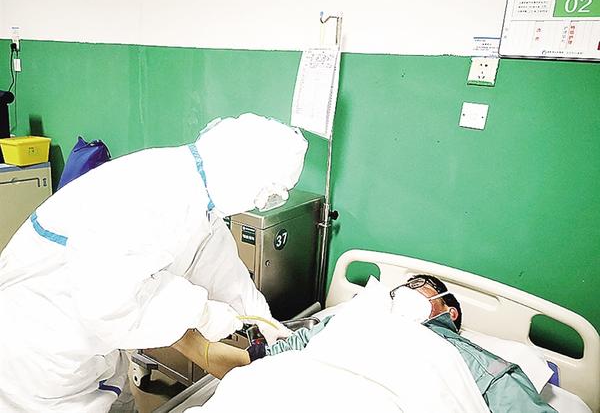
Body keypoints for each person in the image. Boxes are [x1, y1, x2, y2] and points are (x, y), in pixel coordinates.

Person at [0, 113, 307, 413]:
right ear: (242, 172)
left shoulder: (195, 192)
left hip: (89, 340)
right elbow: (108, 300)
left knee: (116, 396)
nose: (262, 203)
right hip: (42, 346)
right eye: (268, 193)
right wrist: (202, 313)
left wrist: (260, 316)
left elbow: (216, 264)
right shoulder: (152, 194)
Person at [244, 274, 557, 413]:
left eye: (418, 285)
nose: (404, 290)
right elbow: (282, 352)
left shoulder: (474, 360)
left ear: (450, 311)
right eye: (401, 287)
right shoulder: (355, 319)